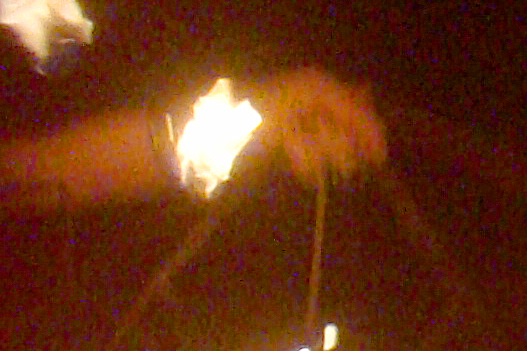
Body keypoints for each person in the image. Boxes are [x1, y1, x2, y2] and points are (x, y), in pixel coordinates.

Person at [3, 68, 386, 211]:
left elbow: (307, 163)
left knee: (44, 191)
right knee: (34, 167)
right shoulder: (311, 87)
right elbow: (374, 143)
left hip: (163, 169)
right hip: (157, 138)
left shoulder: (297, 123)